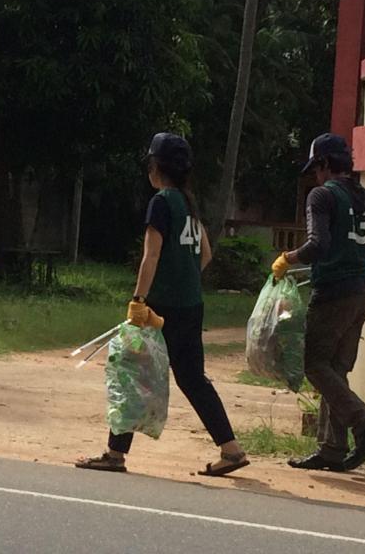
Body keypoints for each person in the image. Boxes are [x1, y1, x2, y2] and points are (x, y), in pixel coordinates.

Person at [76, 133, 249, 477]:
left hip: (159, 308)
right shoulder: (189, 202)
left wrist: (138, 299)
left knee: (133, 373)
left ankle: (115, 454)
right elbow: (207, 254)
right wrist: (183, 275)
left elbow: (150, 255)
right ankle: (231, 449)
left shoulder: (161, 202)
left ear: (156, 167)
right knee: (193, 379)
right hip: (191, 305)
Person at [273, 133, 365, 472]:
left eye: (316, 168)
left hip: (333, 294)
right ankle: (332, 449)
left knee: (314, 364)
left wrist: (287, 258)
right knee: (335, 370)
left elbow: (318, 245)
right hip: (361, 293)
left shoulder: (322, 195)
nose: (315, 176)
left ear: (324, 164)